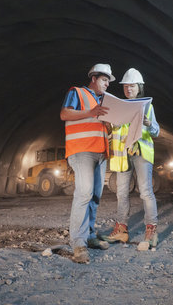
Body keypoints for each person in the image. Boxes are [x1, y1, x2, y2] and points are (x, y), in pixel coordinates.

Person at [60, 63, 114, 264]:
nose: (107, 84)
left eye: (109, 81)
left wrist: (107, 124)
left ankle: (90, 236)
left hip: (100, 153)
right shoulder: (78, 93)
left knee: (95, 196)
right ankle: (78, 244)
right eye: (104, 80)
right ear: (93, 78)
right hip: (82, 151)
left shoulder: (101, 102)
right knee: (84, 194)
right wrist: (92, 113)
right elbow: (65, 114)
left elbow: (97, 125)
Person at [103, 68, 160, 249]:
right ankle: (121, 230)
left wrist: (149, 124)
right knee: (121, 192)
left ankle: (151, 231)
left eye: (132, 86)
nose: (129, 89)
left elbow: (156, 132)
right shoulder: (118, 109)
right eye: (126, 86)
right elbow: (112, 132)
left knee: (145, 191)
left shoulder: (148, 107)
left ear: (139, 87)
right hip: (122, 154)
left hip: (142, 152)